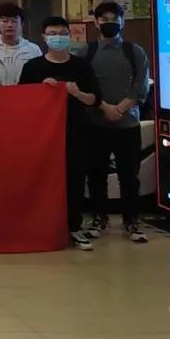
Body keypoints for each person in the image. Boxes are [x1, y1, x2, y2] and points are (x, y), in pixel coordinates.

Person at [20, 17, 102, 251]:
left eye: (62, 33)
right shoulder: (33, 67)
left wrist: (77, 93)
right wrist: (41, 90)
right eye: (52, 33)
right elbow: (21, 100)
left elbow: (95, 99)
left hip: (75, 131)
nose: (57, 37)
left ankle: (74, 227)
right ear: (44, 37)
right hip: (42, 135)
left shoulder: (81, 66)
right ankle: (43, 226)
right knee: (43, 180)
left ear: (69, 36)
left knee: (74, 179)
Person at [83, 1, 151, 243]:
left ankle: (131, 220)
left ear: (123, 22)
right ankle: (98, 218)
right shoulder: (86, 52)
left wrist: (119, 109)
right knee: (96, 175)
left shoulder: (135, 52)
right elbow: (84, 85)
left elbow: (140, 87)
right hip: (95, 123)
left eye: (115, 19)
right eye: (104, 19)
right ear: (96, 22)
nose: (109, 23)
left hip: (127, 124)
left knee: (129, 176)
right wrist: (105, 108)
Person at [0, 3, 43, 85]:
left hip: (24, 92)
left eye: (14, 21)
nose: (9, 25)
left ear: (21, 24)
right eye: (5, 21)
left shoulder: (33, 49)